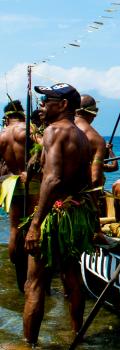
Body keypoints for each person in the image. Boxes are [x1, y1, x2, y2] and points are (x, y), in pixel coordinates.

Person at [22, 83, 98, 346]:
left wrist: (35, 224)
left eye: (47, 100)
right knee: (72, 277)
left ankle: (28, 344)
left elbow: (52, 180)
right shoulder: (80, 135)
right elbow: (87, 180)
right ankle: (78, 335)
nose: (42, 104)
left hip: (55, 215)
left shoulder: (55, 131)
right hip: (75, 212)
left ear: (64, 104)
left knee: (34, 284)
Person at [0, 99, 41, 292]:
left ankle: (18, 277)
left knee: (14, 230)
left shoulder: (2, 134)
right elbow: (44, 147)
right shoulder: (28, 129)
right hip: (29, 180)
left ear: (6, 118)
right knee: (35, 226)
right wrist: (31, 168)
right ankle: (34, 275)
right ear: (22, 115)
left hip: (9, 183)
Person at [74, 94, 118, 188]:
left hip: (57, 196)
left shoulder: (56, 129)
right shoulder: (96, 139)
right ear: (93, 113)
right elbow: (95, 179)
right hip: (79, 197)